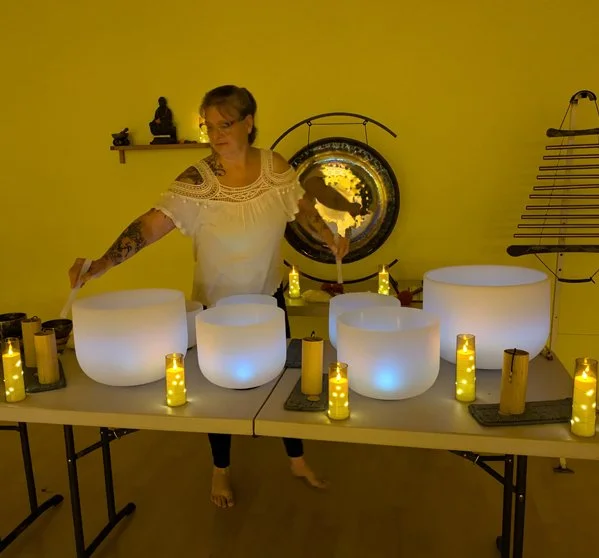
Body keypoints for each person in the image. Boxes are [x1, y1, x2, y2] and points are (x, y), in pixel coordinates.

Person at [68, 85, 361, 509]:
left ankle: (296, 459)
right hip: (216, 309)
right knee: (219, 393)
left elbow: (301, 210)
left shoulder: (275, 168)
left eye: (225, 124)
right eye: (209, 126)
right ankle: (220, 467)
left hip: (268, 300)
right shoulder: (198, 180)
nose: (216, 135)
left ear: (248, 123)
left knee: (283, 380)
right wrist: (101, 264)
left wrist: (330, 237)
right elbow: (150, 226)